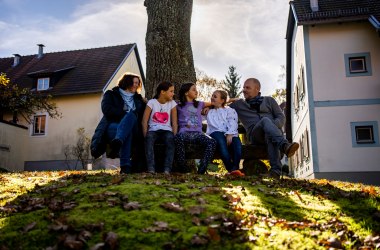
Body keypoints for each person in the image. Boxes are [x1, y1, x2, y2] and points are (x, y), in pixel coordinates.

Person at [229, 78, 299, 178]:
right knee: (265, 121)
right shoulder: (239, 105)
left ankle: (275, 172)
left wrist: (271, 127)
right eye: (243, 87)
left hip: (271, 136)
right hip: (255, 135)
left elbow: (281, 117)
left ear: (257, 89)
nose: (244, 90)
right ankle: (284, 146)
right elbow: (219, 103)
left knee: (269, 132)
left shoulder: (269, 100)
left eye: (247, 87)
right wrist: (232, 99)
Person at [101, 73, 146, 174]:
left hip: (134, 128)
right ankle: (125, 168)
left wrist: (146, 103)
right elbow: (107, 110)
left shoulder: (138, 99)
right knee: (127, 130)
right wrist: (124, 114)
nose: (136, 85)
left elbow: (143, 115)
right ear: (126, 82)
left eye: (137, 83)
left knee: (131, 116)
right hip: (114, 126)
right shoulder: (111, 94)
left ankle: (118, 142)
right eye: (134, 82)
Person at [174, 83, 216, 174]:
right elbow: (161, 101)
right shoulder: (178, 104)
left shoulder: (200, 104)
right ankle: (183, 169)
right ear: (186, 93)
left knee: (212, 142)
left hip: (198, 134)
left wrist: (209, 107)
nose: (196, 91)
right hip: (184, 134)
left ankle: (201, 170)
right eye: (193, 89)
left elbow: (216, 102)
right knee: (177, 138)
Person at [141, 81, 177, 174]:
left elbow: (174, 122)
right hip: (153, 130)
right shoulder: (152, 102)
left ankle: (167, 169)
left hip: (167, 131)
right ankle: (151, 169)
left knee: (170, 140)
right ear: (162, 92)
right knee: (149, 139)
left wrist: (175, 135)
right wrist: (146, 134)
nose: (173, 93)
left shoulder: (172, 103)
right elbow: (144, 120)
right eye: (171, 91)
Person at [206, 90, 243, 175]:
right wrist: (207, 107)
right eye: (212, 95)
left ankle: (235, 169)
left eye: (215, 96)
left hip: (231, 132)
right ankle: (231, 169)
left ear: (222, 100)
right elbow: (197, 107)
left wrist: (230, 133)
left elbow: (232, 122)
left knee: (237, 147)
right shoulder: (208, 111)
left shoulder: (230, 110)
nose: (212, 98)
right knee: (221, 143)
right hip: (215, 132)